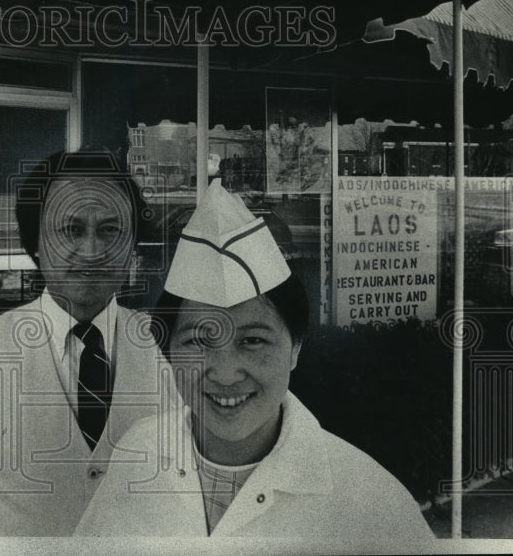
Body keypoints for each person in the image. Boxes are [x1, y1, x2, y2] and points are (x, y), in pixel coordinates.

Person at [76, 180, 434, 542]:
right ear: (168, 352)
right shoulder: (138, 452)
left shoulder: (371, 503)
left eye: (252, 340)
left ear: (295, 347)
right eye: (199, 340)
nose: (226, 372)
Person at [0, 149, 169, 536]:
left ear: (131, 248)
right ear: (37, 243)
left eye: (110, 230)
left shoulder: (161, 348)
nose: (92, 252)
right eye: (71, 230)